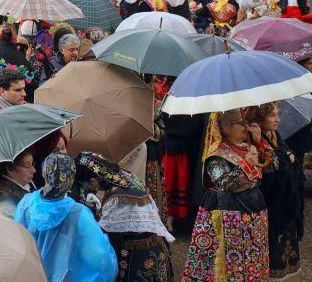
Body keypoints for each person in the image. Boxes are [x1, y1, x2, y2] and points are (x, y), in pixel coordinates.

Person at [183, 109, 270, 280]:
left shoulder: (249, 146)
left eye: (244, 120)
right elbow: (224, 183)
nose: (245, 125)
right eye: (239, 122)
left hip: (252, 210)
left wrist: (260, 143)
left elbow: (274, 166)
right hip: (225, 210)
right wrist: (246, 165)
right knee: (225, 261)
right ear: (226, 128)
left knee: (251, 257)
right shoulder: (216, 154)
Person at [15, 152, 118, 281]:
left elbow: (16, 244)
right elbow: (100, 258)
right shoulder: (79, 214)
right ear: (71, 178)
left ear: (44, 173)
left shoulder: (26, 203)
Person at [77, 152, 175, 281]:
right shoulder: (123, 176)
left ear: (93, 181)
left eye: (87, 186)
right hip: (156, 245)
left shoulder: (117, 198)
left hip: (139, 256)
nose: (88, 189)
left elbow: (105, 237)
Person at [244, 103, 304, 279]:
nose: (278, 119)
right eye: (273, 116)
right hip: (271, 203)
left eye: (277, 115)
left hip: (285, 200)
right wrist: (285, 158)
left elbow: (286, 158)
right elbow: (270, 168)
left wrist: (286, 158)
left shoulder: (274, 134)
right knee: (272, 244)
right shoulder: (253, 139)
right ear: (260, 119)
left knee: (286, 241)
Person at [0, 150, 36, 219]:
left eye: (32, 164)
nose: (34, 170)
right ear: (10, 169)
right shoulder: (6, 206)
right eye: (28, 165)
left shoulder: (23, 183)